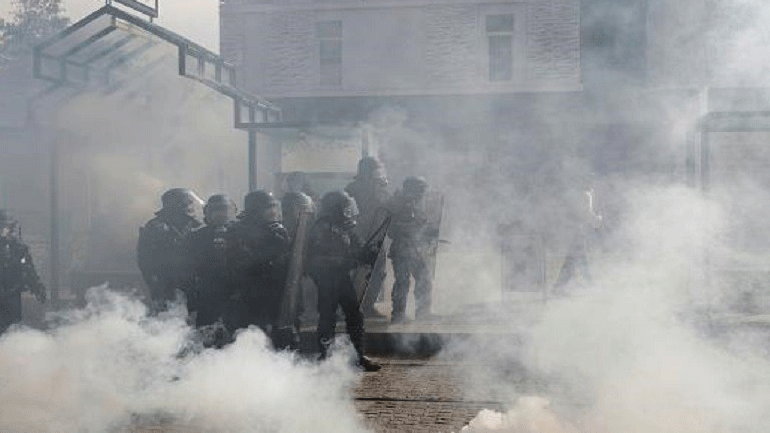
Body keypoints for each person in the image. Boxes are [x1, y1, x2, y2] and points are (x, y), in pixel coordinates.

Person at [307, 191, 381, 371]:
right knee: (328, 317)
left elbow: (357, 248)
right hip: (327, 279)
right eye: (345, 206)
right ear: (336, 208)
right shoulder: (321, 228)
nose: (349, 210)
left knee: (355, 315)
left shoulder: (345, 227)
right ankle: (326, 357)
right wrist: (346, 261)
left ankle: (358, 355)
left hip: (342, 277)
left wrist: (368, 253)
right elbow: (316, 259)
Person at [226, 190, 291, 348]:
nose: (273, 211)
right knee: (252, 336)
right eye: (268, 207)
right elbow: (242, 263)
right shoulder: (238, 231)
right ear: (255, 209)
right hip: (248, 295)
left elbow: (285, 261)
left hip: (273, 292)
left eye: (274, 206)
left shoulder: (275, 229)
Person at [137, 188, 203, 312]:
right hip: (166, 284)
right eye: (187, 203)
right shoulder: (155, 228)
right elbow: (145, 261)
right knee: (168, 318)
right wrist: (156, 287)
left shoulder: (196, 226)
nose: (191, 207)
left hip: (192, 285)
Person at [345, 156, 391, 319]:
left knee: (378, 273)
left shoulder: (379, 187)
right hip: (360, 236)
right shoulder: (353, 190)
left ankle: (368, 306)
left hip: (377, 235)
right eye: (376, 169)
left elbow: (386, 207)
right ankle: (352, 307)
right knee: (357, 273)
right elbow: (349, 214)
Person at [387, 176, 437, 324]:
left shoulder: (411, 203)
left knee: (422, 280)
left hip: (414, 249)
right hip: (404, 249)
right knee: (404, 282)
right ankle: (400, 315)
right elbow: (392, 230)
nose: (423, 193)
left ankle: (421, 313)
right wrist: (419, 229)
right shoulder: (400, 205)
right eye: (421, 190)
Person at [188, 194, 237, 334]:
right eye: (216, 210)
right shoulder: (196, 237)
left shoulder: (242, 234)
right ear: (207, 212)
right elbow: (188, 270)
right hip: (208, 296)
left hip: (237, 296)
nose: (220, 214)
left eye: (224, 209)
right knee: (207, 335)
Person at [0, 210, 46, 334]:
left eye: (11, 227)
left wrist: (37, 287)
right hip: (7, 293)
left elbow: (27, 268)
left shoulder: (18, 248)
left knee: (12, 328)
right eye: (6, 227)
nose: (10, 231)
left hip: (12, 294)